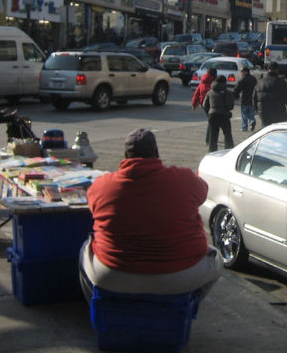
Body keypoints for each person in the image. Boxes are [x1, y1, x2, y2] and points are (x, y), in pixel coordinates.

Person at [79, 128, 221, 302]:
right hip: (179, 275)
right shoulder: (183, 179)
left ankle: (99, 305)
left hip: (114, 275)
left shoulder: (102, 186)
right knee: (216, 259)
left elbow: (93, 208)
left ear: (125, 155)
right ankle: (189, 306)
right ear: (156, 153)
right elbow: (203, 191)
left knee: (85, 249)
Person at [253, 61, 287, 127]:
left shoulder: (260, 82)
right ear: (277, 70)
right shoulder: (282, 83)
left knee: (266, 134)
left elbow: (254, 98)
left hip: (265, 116)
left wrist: (258, 111)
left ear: (268, 69)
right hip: (279, 115)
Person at [203, 75, 235, 152]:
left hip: (212, 116)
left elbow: (204, 105)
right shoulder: (228, 92)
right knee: (227, 135)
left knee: (213, 137)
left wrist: (210, 112)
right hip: (224, 116)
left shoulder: (210, 92)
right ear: (225, 82)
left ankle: (212, 152)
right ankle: (228, 151)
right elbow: (230, 106)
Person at [192, 67, 217, 145]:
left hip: (203, 104)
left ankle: (210, 138)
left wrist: (194, 104)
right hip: (211, 104)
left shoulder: (202, 82)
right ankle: (209, 139)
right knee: (212, 122)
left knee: (211, 121)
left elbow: (196, 93)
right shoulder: (213, 83)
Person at [233, 66, 257, 131]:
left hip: (245, 98)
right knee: (251, 112)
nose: (241, 73)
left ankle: (244, 127)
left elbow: (237, 88)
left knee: (244, 113)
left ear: (245, 72)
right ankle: (252, 121)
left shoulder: (243, 79)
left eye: (242, 71)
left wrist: (234, 94)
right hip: (253, 98)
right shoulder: (253, 78)